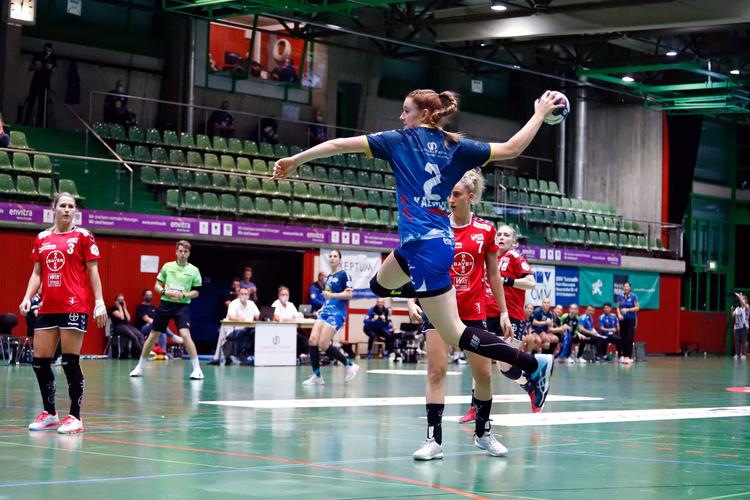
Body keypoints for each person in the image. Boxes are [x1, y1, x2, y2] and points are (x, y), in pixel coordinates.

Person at [273, 88, 561, 411]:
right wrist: (538, 115)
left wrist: (296, 160)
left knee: (455, 333)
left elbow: (338, 145)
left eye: (405, 110)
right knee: (378, 285)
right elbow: (512, 148)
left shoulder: (400, 140)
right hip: (417, 247)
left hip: (427, 248)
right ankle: (429, 294)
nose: (401, 116)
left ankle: (533, 364)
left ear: (423, 114)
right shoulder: (455, 146)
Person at [409, 170, 510, 460]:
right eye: (449, 194)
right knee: (436, 371)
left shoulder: (485, 231)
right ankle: (434, 441)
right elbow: (419, 266)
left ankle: (483, 433)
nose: (450, 199)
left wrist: (503, 312)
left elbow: (493, 274)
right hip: (438, 308)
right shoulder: (436, 226)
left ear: (470, 196)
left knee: (484, 375)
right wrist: (411, 300)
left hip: (473, 312)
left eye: (456, 194)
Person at [19, 192, 107, 434]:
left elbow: (93, 270)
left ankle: (75, 417)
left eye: (71, 206)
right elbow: (37, 273)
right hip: (47, 307)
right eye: (63, 205)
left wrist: (99, 301)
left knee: (69, 362)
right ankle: (50, 413)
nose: (67, 209)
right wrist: (27, 297)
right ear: (54, 209)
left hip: (74, 306)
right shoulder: (42, 238)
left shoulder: (83, 236)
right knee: (39, 362)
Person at [461, 223, 538, 425]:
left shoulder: (515, 257)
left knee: (505, 367)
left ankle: (530, 384)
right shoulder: (488, 258)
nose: (502, 237)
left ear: (514, 241)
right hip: (486, 315)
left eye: (506, 235)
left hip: (510, 316)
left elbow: (531, 282)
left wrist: (508, 281)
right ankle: (474, 408)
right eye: (499, 234)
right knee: (480, 362)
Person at [129, 240, 204, 379]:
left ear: (189, 253)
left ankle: (197, 370)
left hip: (182, 306)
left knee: (185, 335)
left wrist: (184, 295)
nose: (182, 254)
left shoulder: (194, 270)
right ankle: (139, 367)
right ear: (176, 252)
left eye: (185, 251)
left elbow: (196, 292)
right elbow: (157, 285)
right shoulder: (167, 266)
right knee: (153, 336)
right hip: (165, 304)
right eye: (180, 251)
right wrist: (165, 292)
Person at [302, 249, 357, 385]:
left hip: (337, 313)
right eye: (330, 256)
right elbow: (327, 297)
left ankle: (349, 365)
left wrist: (332, 295)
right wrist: (323, 306)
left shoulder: (344, 275)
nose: (332, 258)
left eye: (335, 256)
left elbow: (349, 294)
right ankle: (317, 376)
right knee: (313, 340)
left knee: (323, 343)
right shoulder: (328, 278)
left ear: (340, 259)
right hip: (325, 312)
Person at [220, 287, 261, 365]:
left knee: (257, 332)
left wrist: (264, 317)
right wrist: (238, 318)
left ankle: (254, 355)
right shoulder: (234, 303)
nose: (244, 295)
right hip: (234, 329)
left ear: (248, 295)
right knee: (246, 332)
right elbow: (231, 316)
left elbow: (258, 316)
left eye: (246, 294)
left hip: (249, 328)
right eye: (242, 294)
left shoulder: (251, 303)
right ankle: (234, 354)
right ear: (238, 294)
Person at [134, 289, 183, 353]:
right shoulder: (141, 307)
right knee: (160, 325)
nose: (149, 296)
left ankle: (163, 352)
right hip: (144, 328)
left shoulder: (153, 307)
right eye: (148, 295)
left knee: (161, 330)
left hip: (154, 327)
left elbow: (158, 318)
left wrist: (158, 322)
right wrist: (157, 322)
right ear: (144, 296)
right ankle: (172, 336)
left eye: (150, 295)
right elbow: (147, 319)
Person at [25, 42, 57, 126]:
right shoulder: (38, 56)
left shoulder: (53, 58)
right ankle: (26, 122)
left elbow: (55, 71)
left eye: (49, 50)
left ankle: (40, 124)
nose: (48, 51)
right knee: (31, 102)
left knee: (42, 105)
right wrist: (36, 67)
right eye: (47, 49)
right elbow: (30, 68)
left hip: (45, 84)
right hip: (35, 82)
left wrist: (50, 68)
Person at [108, 293, 145, 357]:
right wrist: (120, 307)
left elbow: (128, 318)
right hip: (118, 327)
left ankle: (138, 353)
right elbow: (122, 317)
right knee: (134, 337)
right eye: (119, 300)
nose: (121, 302)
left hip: (126, 326)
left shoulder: (123, 309)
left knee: (140, 335)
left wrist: (124, 308)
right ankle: (142, 353)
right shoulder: (112, 309)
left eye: (122, 300)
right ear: (115, 301)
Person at [616, 282, 639, 364]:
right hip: (622, 320)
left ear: (630, 288)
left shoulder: (634, 296)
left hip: (631, 320)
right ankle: (623, 356)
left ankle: (628, 356)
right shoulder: (620, 297)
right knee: (623, 338)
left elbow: (637, 308)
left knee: (629, 338)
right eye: (624, 286)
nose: (625, 288)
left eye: (627, 286)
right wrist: (619, 314)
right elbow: (618, 307)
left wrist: (628, 310)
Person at [732, 293, 748, 360]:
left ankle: (744, 354)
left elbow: (743, 304)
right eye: (741, 299)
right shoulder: (737, 308)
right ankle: (737, 354)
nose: (741, 300)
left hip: (743, 327)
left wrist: (739, 296)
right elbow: (733, 315)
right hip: (736, 327)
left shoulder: (746, 307)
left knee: (743, 341)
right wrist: (732, 310)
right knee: (737, 341)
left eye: (743, 299)